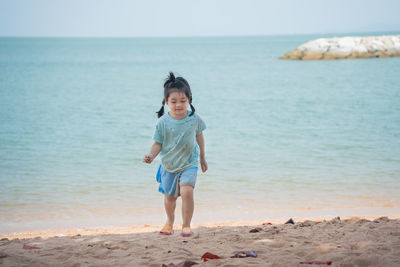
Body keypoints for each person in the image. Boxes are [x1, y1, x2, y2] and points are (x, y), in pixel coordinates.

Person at [143, 72, 208, 237]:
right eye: (173, 101)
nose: (178, 105)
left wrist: (202, 157)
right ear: (166, 101)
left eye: (183, 101)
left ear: (189, 99)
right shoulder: (163, 122)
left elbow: (199, 136)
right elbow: (158, 143)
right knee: (170, 198)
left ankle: (186, 225)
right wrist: (151, 155)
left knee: (187, 191)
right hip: (169, 165)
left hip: (189, 163)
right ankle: (169, 222)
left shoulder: (195, 119)